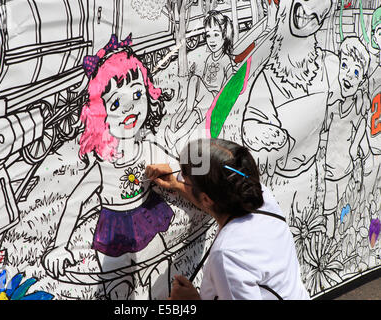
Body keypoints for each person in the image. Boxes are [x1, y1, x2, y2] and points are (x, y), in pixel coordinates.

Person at [42, 34, 178, 299]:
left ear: (149, 94)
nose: (129, 108)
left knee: (163, 278)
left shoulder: (148, 148)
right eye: (116, 103)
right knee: (118, 291)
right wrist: (59, 246)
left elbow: (179, 169)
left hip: (147, 218)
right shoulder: (103, 166)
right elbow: (74, 203)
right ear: (100, 114)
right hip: (113, 231)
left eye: (137, 94)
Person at [145, 138, 310, 300]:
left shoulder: (227, 255)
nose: (181, 178)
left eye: (185, 179)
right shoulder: (259, 196)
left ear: (207, 199)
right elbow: (216, 198)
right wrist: (176, 185)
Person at [165, 10, 235, 154]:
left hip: (214, 97)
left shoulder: (225, 59)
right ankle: (177, 133)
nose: (212, 40)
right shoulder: (209, 58)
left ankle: (178, 130)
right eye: (208, 35)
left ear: (224, 35)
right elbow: (202, 81)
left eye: (216, 34)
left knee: (195, 83)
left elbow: (230, 81)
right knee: (195, 80)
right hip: (204, 96)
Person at [323, 36, 371, 238]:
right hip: (329, 164)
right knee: (329, 202)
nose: (349, 75)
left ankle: (338, 227)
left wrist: (355, 148)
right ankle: (330, 229)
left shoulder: (360, 103)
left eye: (356, 72)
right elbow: (324, 128)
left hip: (344, 164)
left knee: (343, 197)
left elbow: (361, 125)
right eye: (345, 65)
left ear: (361, 80)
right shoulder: (332, 100)